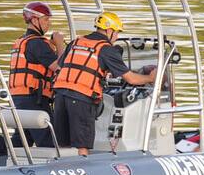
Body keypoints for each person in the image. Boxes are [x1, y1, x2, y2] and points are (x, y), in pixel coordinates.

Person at [52, 11, 156, 156]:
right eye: (116, 32)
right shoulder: (106, 49)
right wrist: (150, 78)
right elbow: (131, 79)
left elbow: (62, 65)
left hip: (60, 96)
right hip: (81, 98)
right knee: (82, 145)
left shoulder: (76, 42)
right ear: (109, 30)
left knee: (63, 144)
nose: (117, 37)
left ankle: (62, 173)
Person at [8, 1, 66, 147]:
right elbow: (60, 67)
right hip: (35, 98)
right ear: (34, 20)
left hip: (18, 98)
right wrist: (59, 44)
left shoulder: (23, 41)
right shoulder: (38, 43)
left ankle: (0, 155)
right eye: (46, 19)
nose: (49, 24)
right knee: (49, 141)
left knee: (22, 139)